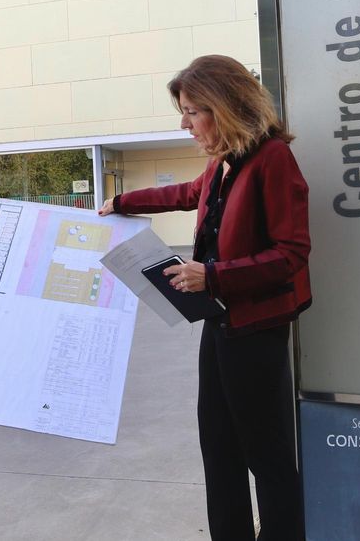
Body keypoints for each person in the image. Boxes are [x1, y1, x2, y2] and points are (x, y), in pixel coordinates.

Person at [99, 55, 312, 540]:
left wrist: (212, 276)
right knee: (218, 447)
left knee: (267, 455)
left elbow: (292, 254)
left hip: (256, 330)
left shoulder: (272, 158)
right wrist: (121, 202)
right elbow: (184, 193)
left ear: (226, 106)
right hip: (220, 324)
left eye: (193, 110)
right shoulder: (222, 162)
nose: (185, 122)